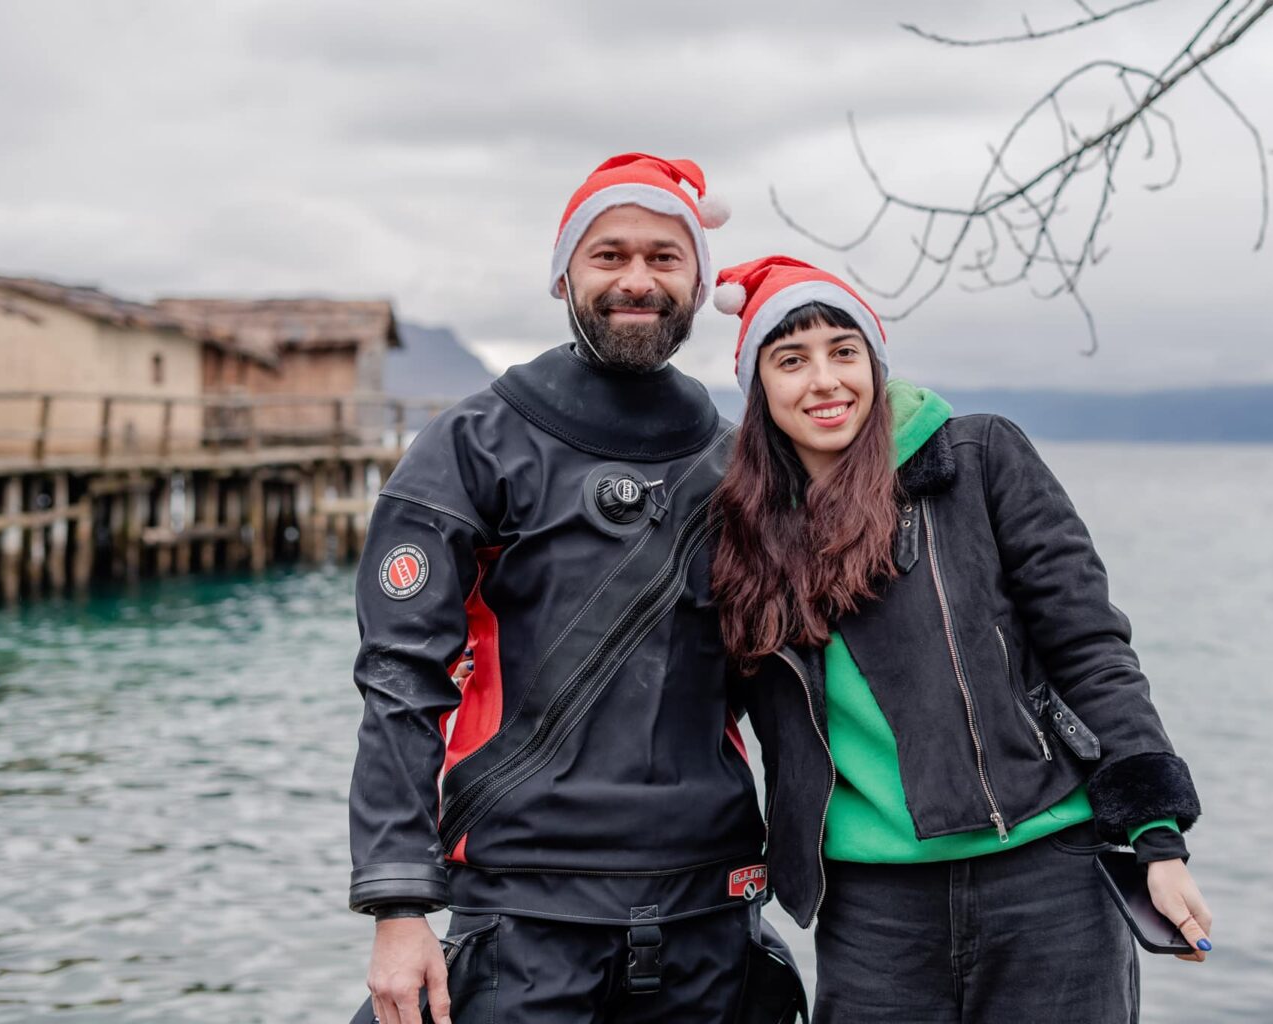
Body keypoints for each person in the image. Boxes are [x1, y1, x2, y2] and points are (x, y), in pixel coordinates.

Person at [347, 156, 802, 1024]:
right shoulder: (472, 446)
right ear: (563, 275)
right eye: (609, 255)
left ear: (697, 283)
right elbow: (400, 682)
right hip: (522, 911)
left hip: (711, 905)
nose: (637, 279)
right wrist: (398, 907)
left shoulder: (740, 461)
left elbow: (795, 682)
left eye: (665, 258)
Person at [707, 255, 1211, 1022]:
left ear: (874, 363)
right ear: (758, 387)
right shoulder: (744, 531)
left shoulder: (977, 460)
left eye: (843, 352)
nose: (824, 381)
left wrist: (1156, 837)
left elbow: (1089, 648)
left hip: (1046, 879)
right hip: (871, 905)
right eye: (791, 360)